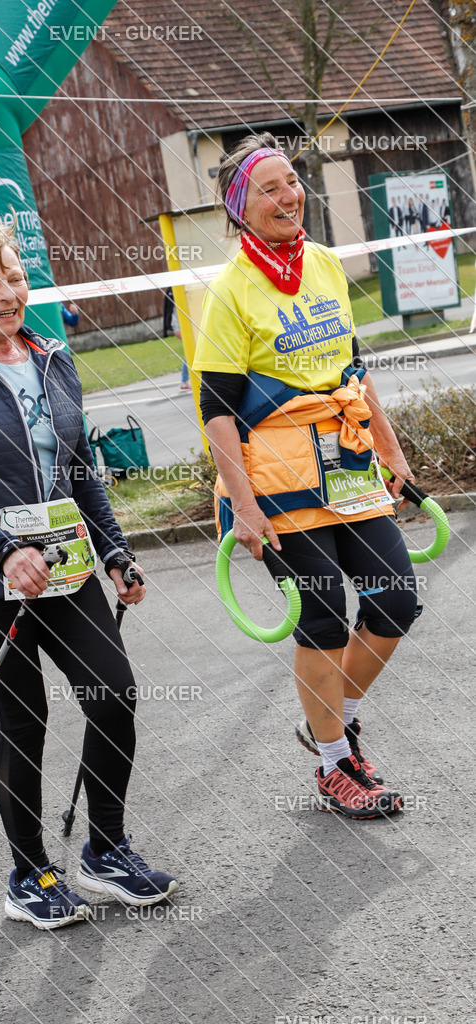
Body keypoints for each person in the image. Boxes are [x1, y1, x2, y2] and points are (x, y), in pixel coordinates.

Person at [0, 217, 177, 929]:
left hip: (63, 564)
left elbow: (79, 468)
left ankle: (106, 849)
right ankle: (29, 874)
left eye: (15, 277)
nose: (7, 292)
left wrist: (115, 551)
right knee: (24, 720)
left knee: (113, 696)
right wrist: (1, 550)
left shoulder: (54, 358)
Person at [193, 132, 421, 820]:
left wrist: (391, 449)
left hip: (346, 463)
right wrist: (244, 508)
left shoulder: (322, 264)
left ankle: (331, 720)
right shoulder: (231, 290)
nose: (289, 195)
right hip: (277, 480)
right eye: (269, 188)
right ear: (240, 210)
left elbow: (354, 367)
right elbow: (216, 408)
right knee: (321, 618)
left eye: (291, 181)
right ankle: (334, 766)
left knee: (395, 600)